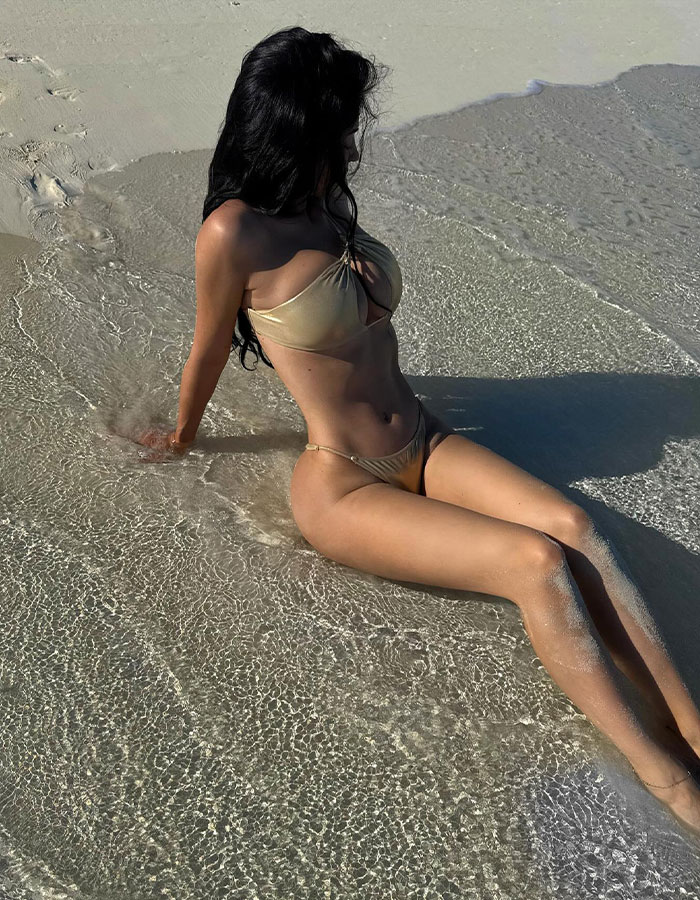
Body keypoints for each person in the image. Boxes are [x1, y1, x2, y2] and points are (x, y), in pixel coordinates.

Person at [137, 26, 700, 832]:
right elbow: (205, 346)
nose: (355, 135)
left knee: (577, 528)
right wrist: (183, 435)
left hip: (427, 441)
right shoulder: (233, 232)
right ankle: (665, 776)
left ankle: (690, 725)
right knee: (536, 563)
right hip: (343, 481)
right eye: (342, 120)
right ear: (295, 124)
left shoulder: (325, 197)